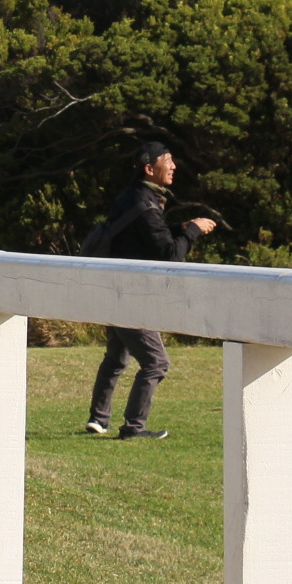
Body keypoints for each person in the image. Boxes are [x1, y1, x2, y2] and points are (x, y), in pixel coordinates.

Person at [82, 140, 218, 440]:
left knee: (116, 357)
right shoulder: (145, 202)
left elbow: (141, 238)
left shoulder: (131, 197)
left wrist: (180, 227)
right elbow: (168, 255)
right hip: (132, 295)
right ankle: (133, 427)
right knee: (156, 362)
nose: (173, 166)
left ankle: (98, 419)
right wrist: (192, 231)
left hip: (113, 288)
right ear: (149, 168)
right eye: (167, 160)